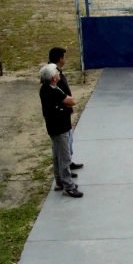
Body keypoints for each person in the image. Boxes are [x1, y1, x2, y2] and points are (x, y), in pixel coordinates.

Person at [39, 63, 82, 198]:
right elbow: (71, 101)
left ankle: (59, 181)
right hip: (60, 127)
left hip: (53, 127)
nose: (59, 74)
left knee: (57, 155)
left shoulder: (44, 89)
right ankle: (68, 186)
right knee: (65, 157)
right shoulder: (55, 91)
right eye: (56, 73)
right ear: (53, 78)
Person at [48, 47, 83, 171]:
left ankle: (68, 163)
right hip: (60, 115)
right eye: (64, 56)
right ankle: (65, 171)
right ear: (60, 58)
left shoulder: (57, 71)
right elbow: (57, 94)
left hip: (64, 112)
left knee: (68, 139)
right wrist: (67, 103)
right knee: (62, 144)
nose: (65, 59)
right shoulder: (53, 75)